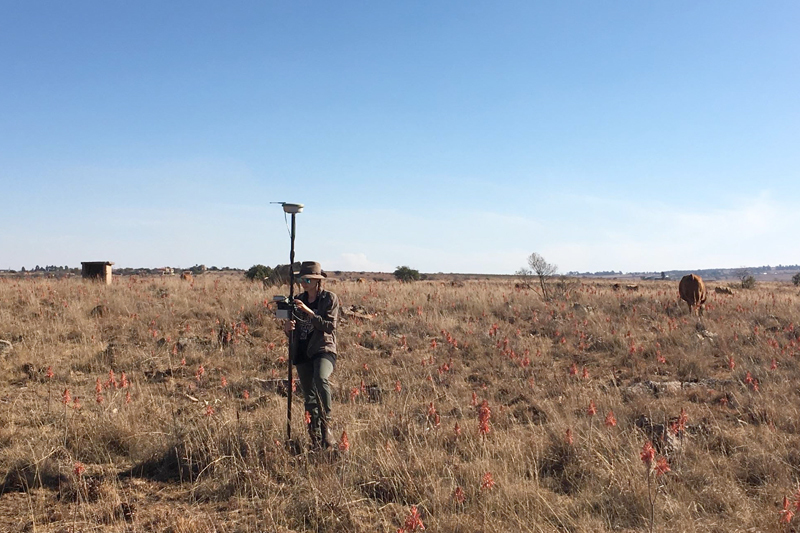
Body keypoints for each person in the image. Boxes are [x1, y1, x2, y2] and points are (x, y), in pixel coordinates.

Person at [283, 261, 340, 449]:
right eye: (301, 279)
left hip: (323, 348)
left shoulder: (329, 299)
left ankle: (326, 425)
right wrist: (287, 328)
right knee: (309, 396)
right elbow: (292, 328)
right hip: (302, 350)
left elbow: (329, 326)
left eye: (307, 279)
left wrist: (308, 312)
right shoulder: (297, 299)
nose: (303, 282)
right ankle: (315, 437)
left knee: (321, 377)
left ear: (317, 281)